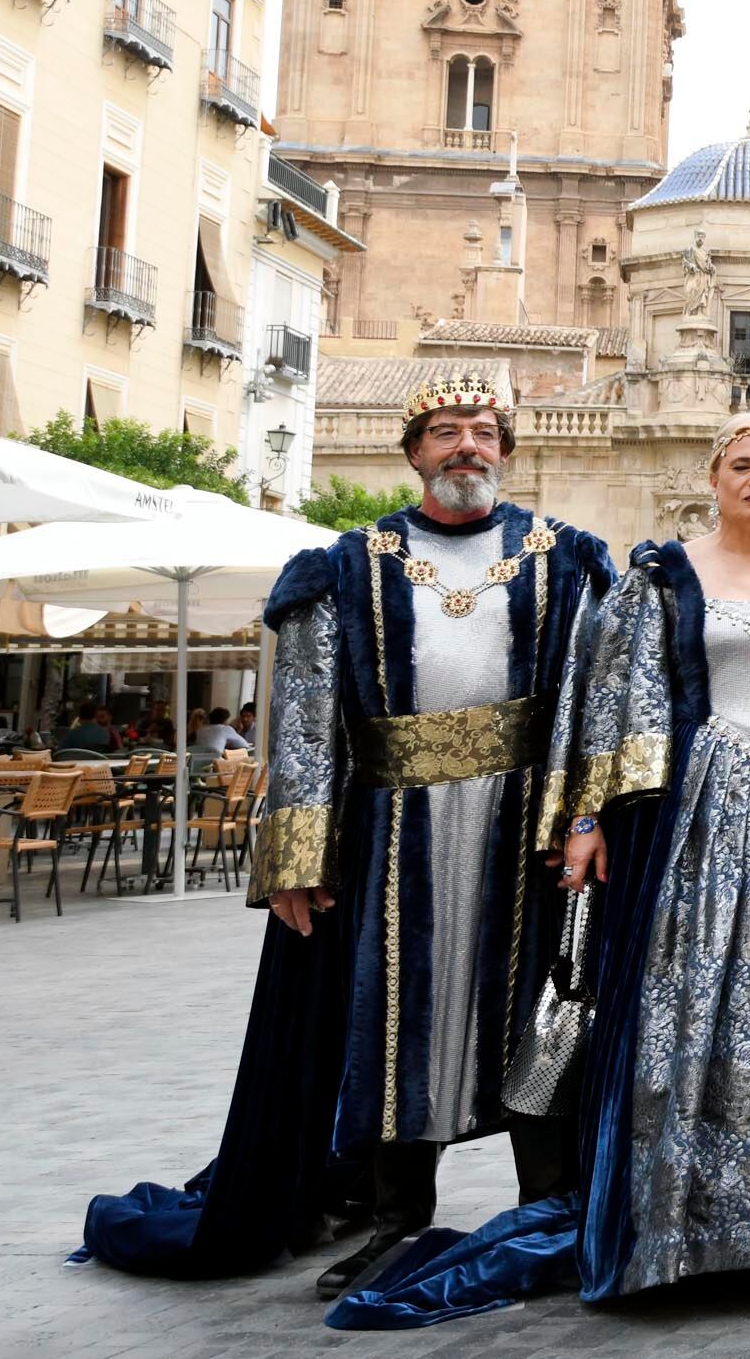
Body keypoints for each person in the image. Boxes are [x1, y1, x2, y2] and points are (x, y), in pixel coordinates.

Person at [321, 415, 750, 1325]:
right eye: (742, 464)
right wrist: (588, 819)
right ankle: (686, 1224)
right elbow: (606, 699)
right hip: (691, 813)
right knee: (680, 1007)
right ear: (712, 477)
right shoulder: (657, 578)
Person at [81, 372, 614, 1292]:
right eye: (446, 431)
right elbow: (306, 719)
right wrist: (296, 857)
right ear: (412, 452)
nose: (467, 448)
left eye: (484, 431)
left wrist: (587, 818)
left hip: (525, 827)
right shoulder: (346, 564)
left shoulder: (567, 559)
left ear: (507, 450)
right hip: (389, 828)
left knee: (538, 1010)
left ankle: (549, 1212)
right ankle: (397, 1219)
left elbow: (594, 700)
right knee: (392, 1016)